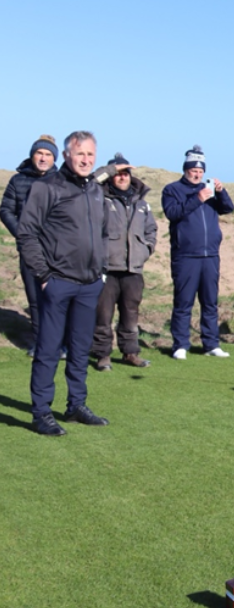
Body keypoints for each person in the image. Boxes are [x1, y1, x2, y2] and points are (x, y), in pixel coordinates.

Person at [17, 131, 124, 436]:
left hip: (89, 283)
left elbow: (103, 232)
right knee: (49, 350)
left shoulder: (94, 189)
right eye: (80, 154)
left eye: (90, 155)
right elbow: (27, 233)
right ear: (66, 155)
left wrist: (101, 269)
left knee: (79, 349)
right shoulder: (46, 187)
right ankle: (41, 413)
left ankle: (76, 404)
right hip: (58, 282)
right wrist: (45, 276)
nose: (86, 160)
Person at [161, 145, 234, 360]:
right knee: (183, 303)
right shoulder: (172, 190)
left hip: (210, 255)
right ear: (186, 169)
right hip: (185, 256)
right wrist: (198, 198)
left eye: (201, 171)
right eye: (194, 170)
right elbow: (173, 213)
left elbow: (228, 208)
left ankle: (211, 344)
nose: (198, 174)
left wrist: (221, 192)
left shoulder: (209, 190)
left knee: (210, 302)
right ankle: (180, 345)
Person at [91, 153, 158, 371]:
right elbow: (89, 182)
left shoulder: (142, 204)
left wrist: (145, 250)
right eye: (117, 174)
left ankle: (130, 353)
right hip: (107, 269)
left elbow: (151, 231)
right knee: (103, 315)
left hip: (133, 270)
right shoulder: (98, 198)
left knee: (131, 315)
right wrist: (107, 169)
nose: (121, 178)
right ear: (110, 176)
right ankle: (102, 355)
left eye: (125, 174)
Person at [2, 134, 59, 356]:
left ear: (54, 158)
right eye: (39, 153)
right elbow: (6, 210)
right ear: (32, 155)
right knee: (35, 299)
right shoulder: (17, 181)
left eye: (47, 154)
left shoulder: (62, 181)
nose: (43, 158)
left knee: (56, 298)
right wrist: (22, 235)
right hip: (28, 249)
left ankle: (59, 343)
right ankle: (40, 343)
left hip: (56, 251)